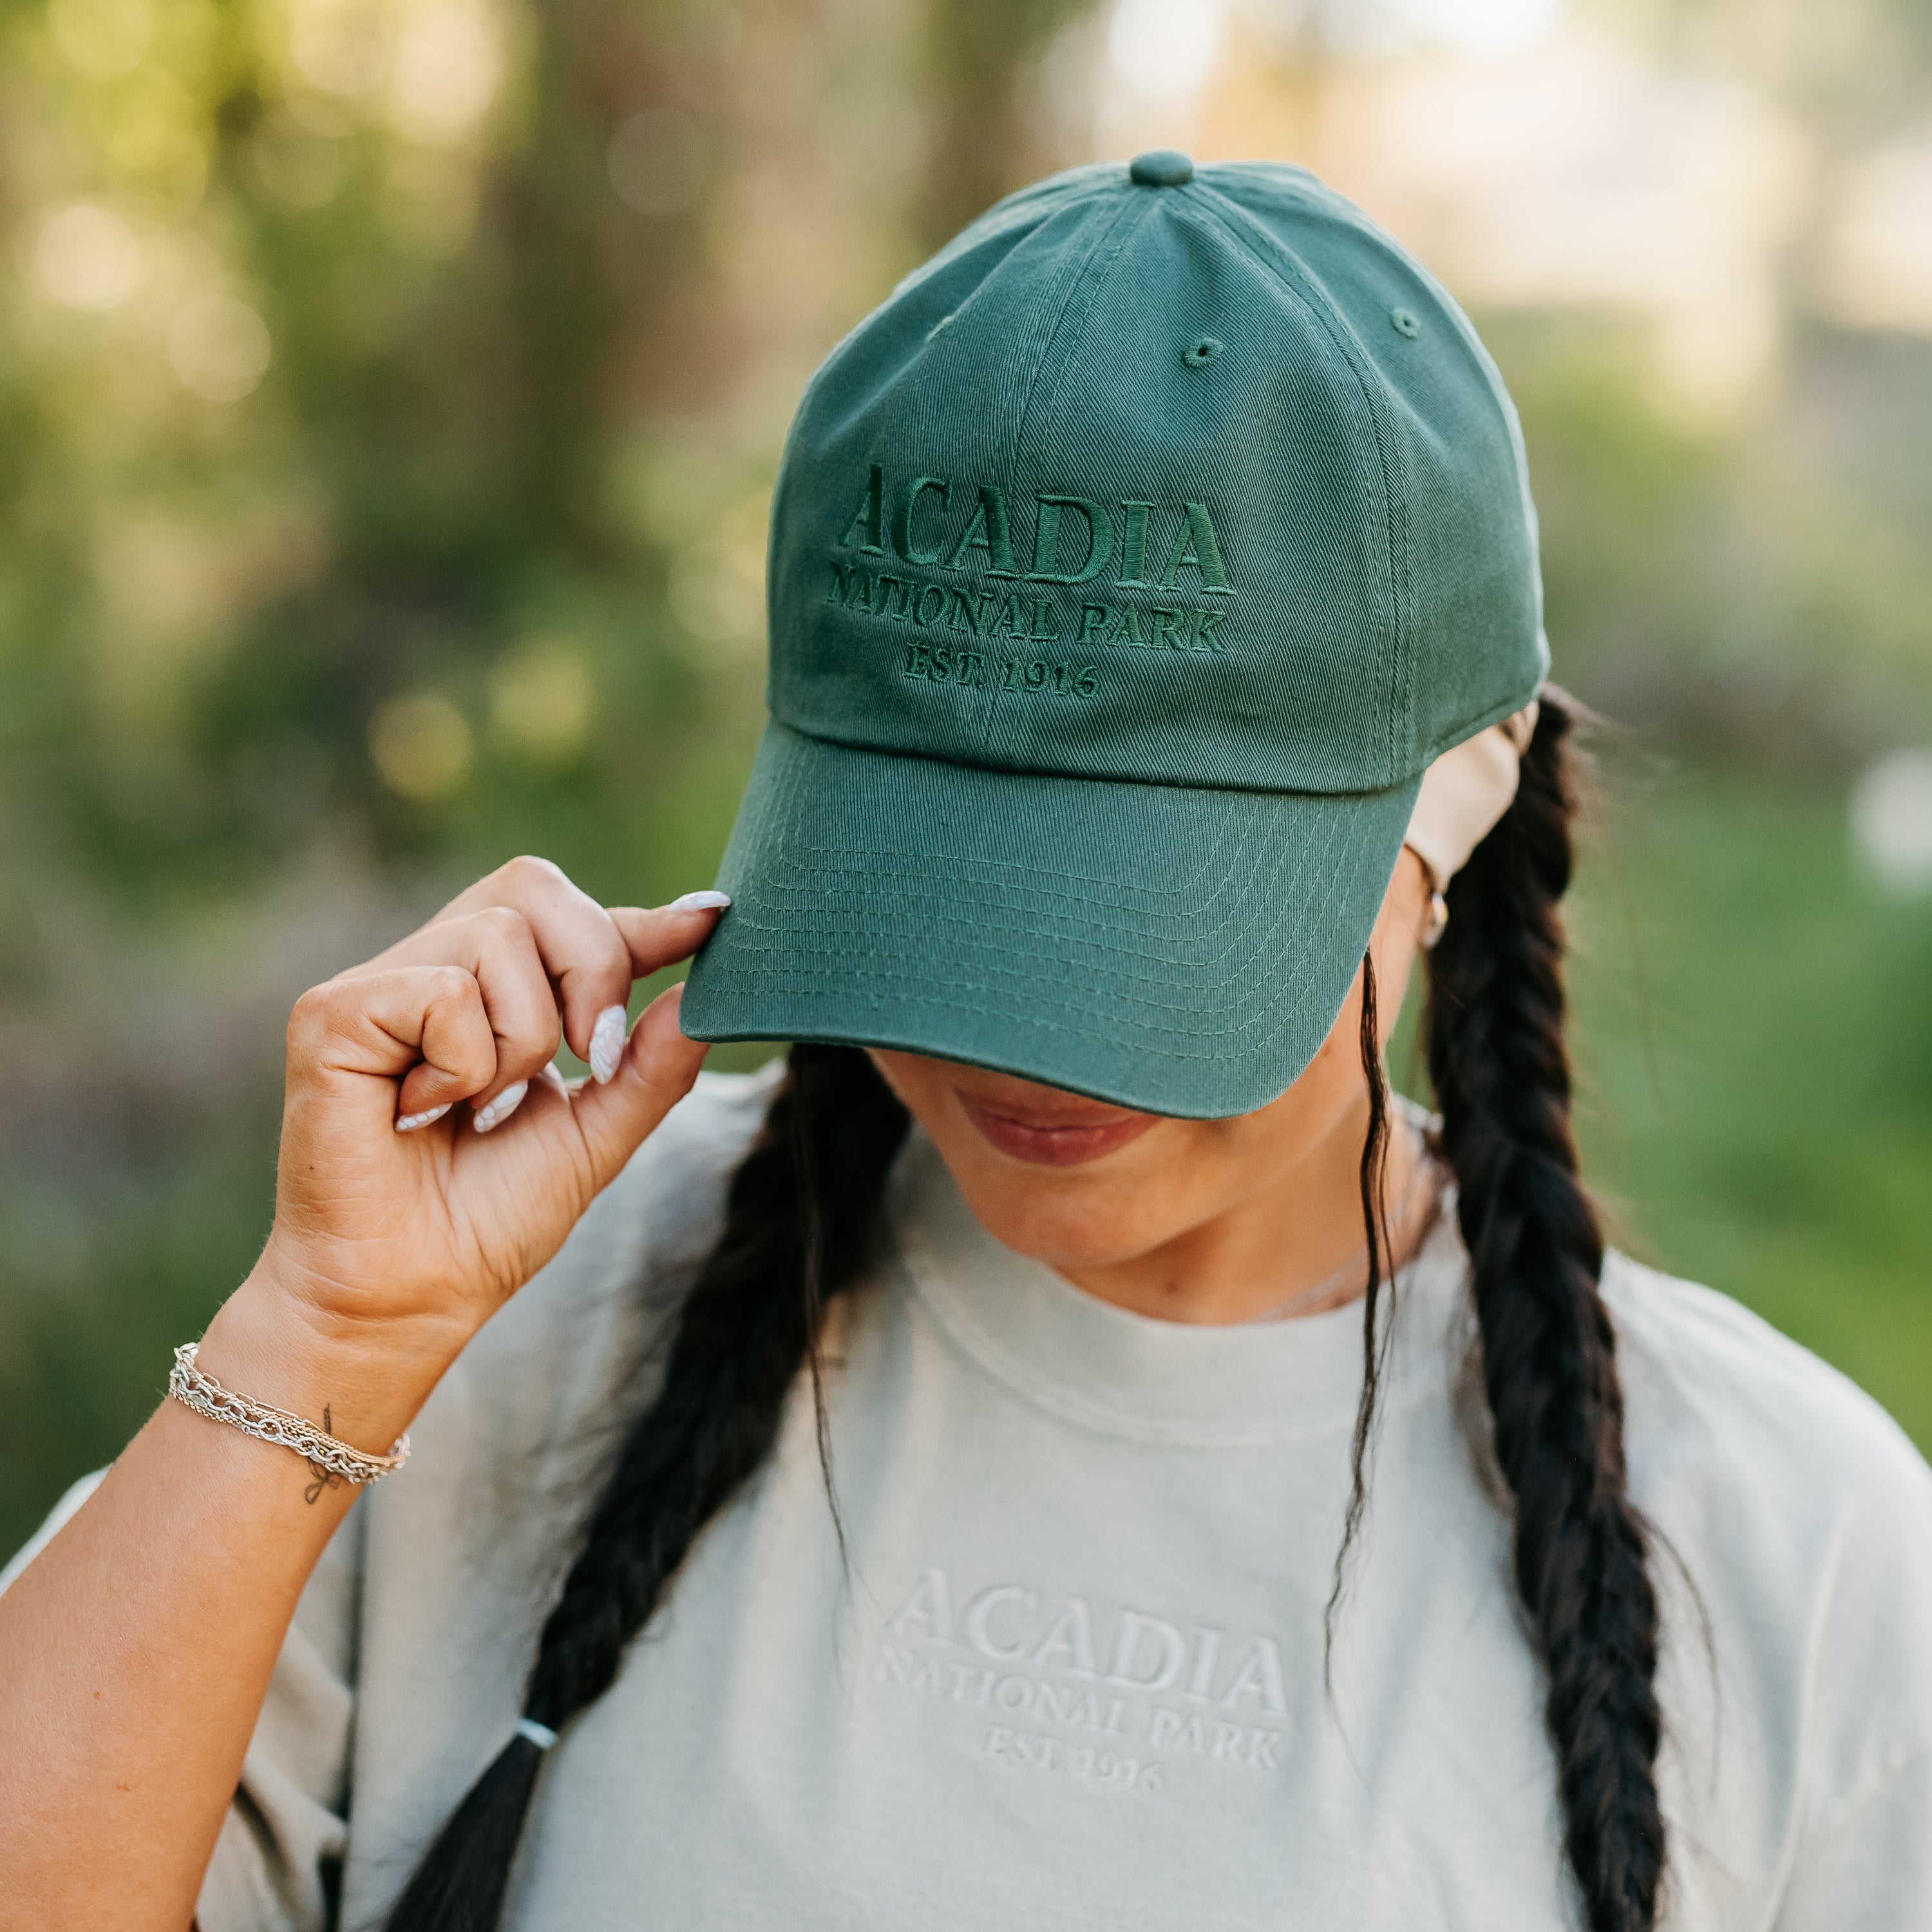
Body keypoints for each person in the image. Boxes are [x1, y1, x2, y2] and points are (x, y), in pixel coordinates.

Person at [2, 153, 1928, 1932]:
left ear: (1466, 801)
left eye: (1146, 919)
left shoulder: (1803, 1568)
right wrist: (320, 1345)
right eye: (947, 889)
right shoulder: (494, 1328)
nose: (1026, 1046)